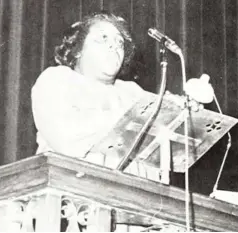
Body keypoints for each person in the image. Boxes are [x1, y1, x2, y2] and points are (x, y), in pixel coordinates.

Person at [31, 12, 199, 173]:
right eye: (103, 38)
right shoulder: (57, 79)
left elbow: (171, 155)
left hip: (136, 197)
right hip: (71, 192)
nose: (114, 45)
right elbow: (65, 138)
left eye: (120, 43)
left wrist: (182, 113)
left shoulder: (132, 91)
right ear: (78, 49)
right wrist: (137, 115)